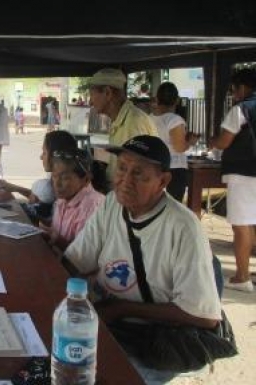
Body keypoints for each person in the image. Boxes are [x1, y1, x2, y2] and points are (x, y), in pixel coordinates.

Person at [64, 136, 221, 379]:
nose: (125, 181)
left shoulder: (183, 227)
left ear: (163, 181)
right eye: (122, 169)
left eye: (139, 174)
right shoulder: (111, 206)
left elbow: (204, 315)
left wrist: (122, 308)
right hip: (108, 324)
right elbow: (76, 261)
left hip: (156, 340)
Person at [209, 67, 256, 292]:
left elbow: (224, 141)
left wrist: (213, 141)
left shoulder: (241, 110)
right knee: (251, 223)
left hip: (244, 173)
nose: (233, 93)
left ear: (244, 87)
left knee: (241, 225)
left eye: (234, 89)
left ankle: (242, 277)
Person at [88, 68, 157, 186]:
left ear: (107, 93)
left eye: (92, 95)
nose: (90, 102)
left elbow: (136, 173)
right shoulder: (120, 120)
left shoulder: (134, 122)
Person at [40, 148, 105, 251]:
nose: (56, 184)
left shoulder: (92, 207)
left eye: (64, 178)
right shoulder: (64, 198)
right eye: (54, 176)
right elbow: (57, 229)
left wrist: (57, 240)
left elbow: (84, 257)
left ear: (86, 179)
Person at [0, 130, 78, 205]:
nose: (41, 157)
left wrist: (13, 200)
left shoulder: (65, 190)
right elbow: (40, 199)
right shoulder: (56, 180)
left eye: (44, 153)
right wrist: (15, 188)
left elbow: (50, 219)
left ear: (55, 156)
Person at [150, 81, 199, 202]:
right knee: (172, 207)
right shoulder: (175, 120)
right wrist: (191, 142)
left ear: (157, 99)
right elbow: (179, 147)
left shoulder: (149, 118)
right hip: (174, 169)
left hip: (154, 167)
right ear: (176, 100)